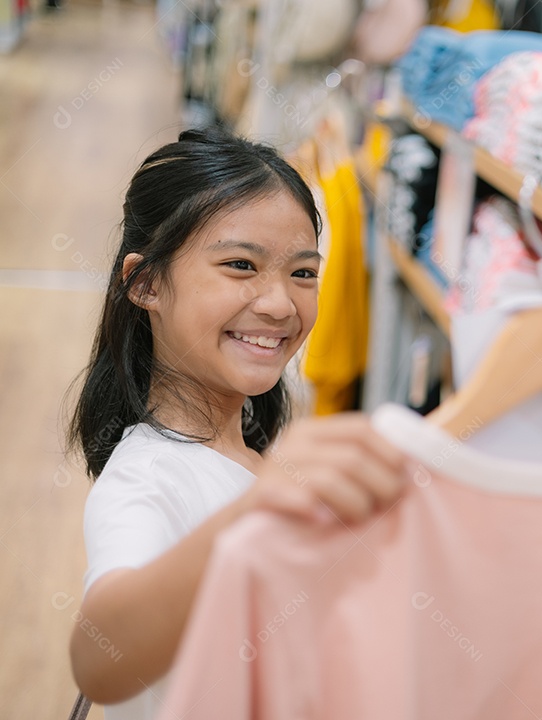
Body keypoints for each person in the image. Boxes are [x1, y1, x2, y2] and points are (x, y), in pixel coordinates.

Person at [66, 127, 406, 720]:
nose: (279, 303)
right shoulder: (147, 479)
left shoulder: (253, 457)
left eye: (303, 273)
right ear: (145, 283)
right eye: (240, 265)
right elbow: (100, 657)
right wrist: (259, 509)